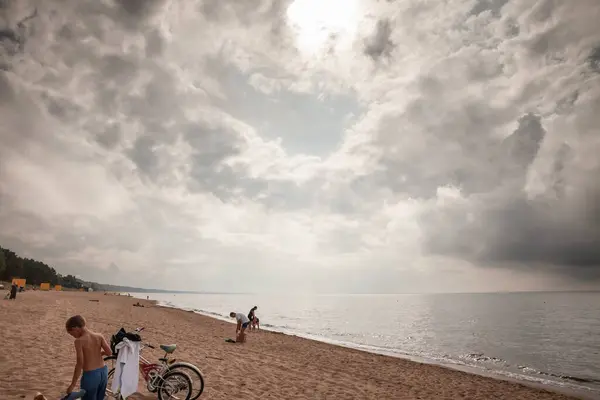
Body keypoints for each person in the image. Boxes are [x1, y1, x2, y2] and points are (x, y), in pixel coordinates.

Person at [65, 315, 112, 400]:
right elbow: (109, 353)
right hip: (103, 372)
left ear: (76, 328)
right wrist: (99, 353)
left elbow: (79, 364)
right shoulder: (99, 336)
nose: (73, 336)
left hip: (91, 376)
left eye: (72, 334)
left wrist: (72, 385)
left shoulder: (79, 341)